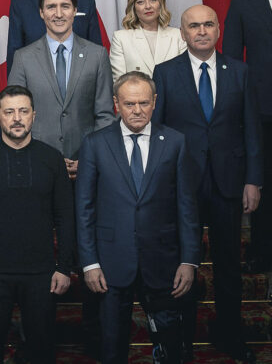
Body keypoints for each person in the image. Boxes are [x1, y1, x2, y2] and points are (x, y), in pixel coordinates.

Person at [153, 4, 262, 363]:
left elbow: (252, 131)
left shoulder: (240, 72)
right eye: (194, 26)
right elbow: (159, 134)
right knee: (182, 263)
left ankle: (230, 333)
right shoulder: (165, 73)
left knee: (229, 265)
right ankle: (181, 340)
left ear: (218, 30)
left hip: (228, 184)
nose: (202, 31)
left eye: (208, 24)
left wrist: (253, 181)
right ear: (182, 33)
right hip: (180, 186)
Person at [76, 71, 200, 363]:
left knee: (171, 348)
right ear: (116, 104)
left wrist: (189, 259)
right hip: (110, 264)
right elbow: (84, 208)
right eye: (130, 104)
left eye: (144, 103)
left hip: (163, 263)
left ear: (154, 102)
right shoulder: (94, 144)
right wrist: (89, 262)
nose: (137, 110)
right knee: (111, 347)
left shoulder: (175, 142)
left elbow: (187, 206)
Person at [0, 84, 74, 364]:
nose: (17, 118)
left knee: (42, 349)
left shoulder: (52, 159)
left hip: (41, 273)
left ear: (34, 115)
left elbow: (66, 217)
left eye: (23, 111)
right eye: (9, 112)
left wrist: (64, 267)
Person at [7, 0, 115, 180]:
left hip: (86, 166)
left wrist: (90, 158)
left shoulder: (97, 55)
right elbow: (15, 116)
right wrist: (39, 157)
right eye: (51, 7)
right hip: (37, 165)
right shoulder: (23, 58)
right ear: (41, 13)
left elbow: (105, 115)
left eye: (65, 6)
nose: (58, 14)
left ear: (75, 10)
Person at [223, 0, 272, 274]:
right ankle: (262, 254)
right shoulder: (243, 5)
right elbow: (228, 62)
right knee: (262, 186)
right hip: (261, 113)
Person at [109, 0, 186, 81]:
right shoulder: (121, 38)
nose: (148, 6)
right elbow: (120, 82)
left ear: (161, 3)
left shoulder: (178, 35)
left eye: (153, 0)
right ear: (134, 7)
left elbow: (185, 77)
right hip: (137, 96)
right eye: (140, 2)